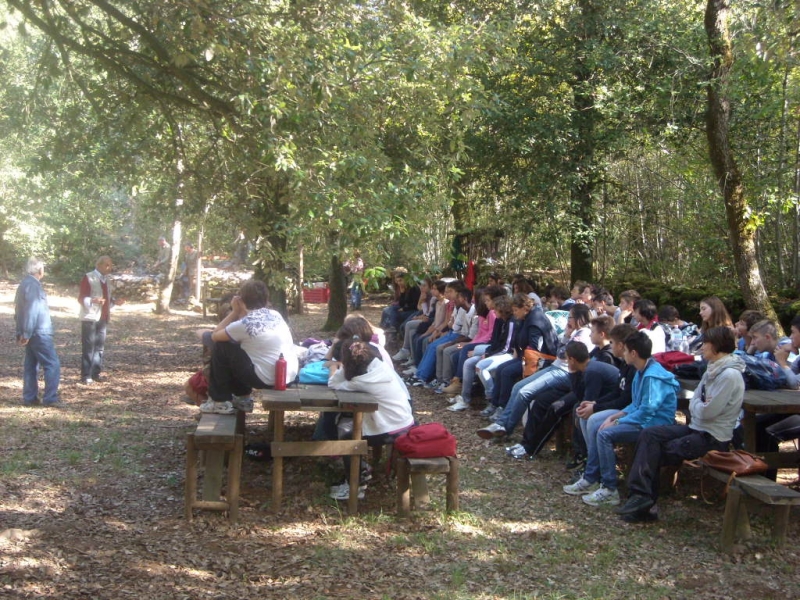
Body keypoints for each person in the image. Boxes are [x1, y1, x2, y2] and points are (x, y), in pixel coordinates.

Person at [616, 327, 745, 522]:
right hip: (697, 428)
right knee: (650, 435)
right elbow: (696, 404)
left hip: (713, 436)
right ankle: (641, 497)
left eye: (706, 344)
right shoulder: (712, 369)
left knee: (658, 451)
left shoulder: (729, 375)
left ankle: (645, 504)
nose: (702, 348)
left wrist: (699, 406)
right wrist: (700, 406)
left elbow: (709, 411)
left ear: (717, 346)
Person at [563, 331, 679, 507]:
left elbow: (647, 411)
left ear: (633, 353)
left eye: (625, 351)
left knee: (604, 434)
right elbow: (635, 405)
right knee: (601, 425)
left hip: (655, 425)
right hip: (643, 419)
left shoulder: (651, 375)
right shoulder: (641, 371)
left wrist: (618, 421)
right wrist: (616, 416)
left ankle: (610, 489)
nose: (622, 354)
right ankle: (592, 477)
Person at [327, 339, 414, 501]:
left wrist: (336, 367)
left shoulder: (361, 382)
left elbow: (333, 383)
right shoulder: (379, 367)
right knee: (346, 423)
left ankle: (355, 483)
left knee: (347, 435)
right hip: (404, 422)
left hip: (391, 429)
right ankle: (360, 470)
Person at [200, 279, 298, 414]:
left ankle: (220, 401)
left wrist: (235, 312)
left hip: (266, 380)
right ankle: (243, 398)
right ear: (266, 299)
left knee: (223, 346)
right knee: (244, 351)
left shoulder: (245, 324)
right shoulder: (275, 315)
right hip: (288, 377)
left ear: (241, 299)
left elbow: (215, 336)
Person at [14, 258, 61, 406]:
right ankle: (50, 398)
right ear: (40, 270)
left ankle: (30, 397)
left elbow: (19, 311)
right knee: (52, 364)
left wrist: (22, 331)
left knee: (31, 365)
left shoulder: (25, 284)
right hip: (39, 331)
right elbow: (31, 311)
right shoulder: (32, 285)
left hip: (33, 331)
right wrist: (26, 333)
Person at [78, 256, 119, 384]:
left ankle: (96, 373)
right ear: (99, 265)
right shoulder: (89, 277)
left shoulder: (106, 280)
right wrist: (92, 301)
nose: (110, 267)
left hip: (103, 317)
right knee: (89, 347)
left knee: (99, 347)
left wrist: (115, 302)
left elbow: (107, 300)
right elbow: (81, 298)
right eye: (107, 265)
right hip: (90, 317)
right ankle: (86, 376)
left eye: (110, 265)